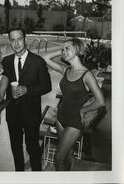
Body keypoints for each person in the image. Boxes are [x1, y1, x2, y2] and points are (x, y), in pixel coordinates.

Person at [42, 38, 106, 171]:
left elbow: (100, 101)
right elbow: (45, 58)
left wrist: (83, 110)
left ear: (77, 50)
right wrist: (63, 47)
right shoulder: (66, 70)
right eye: (62, 49)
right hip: (61, 117)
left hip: (75, 121)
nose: (63, 51)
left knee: (58, 158)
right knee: (68, 154)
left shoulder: (87, 75)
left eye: (67, 48)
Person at [2, 28, 52, 171]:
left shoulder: (38, 62)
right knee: (16, 149)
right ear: (9, 42)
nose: (16, 43)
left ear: (25, 39)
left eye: (19, 39)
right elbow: (2, 84)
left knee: (33, 149)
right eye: (12, 40)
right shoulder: (6, 61)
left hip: (31, 114)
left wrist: (27, 90)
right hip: (12, 114)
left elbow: (46, 86)